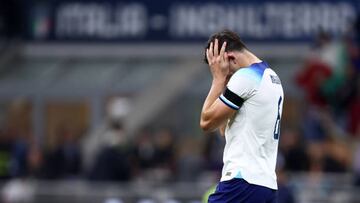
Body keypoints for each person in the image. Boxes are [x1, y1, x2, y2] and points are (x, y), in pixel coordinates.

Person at [200, 30, 284, 203]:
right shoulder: (271, 77)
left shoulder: (245, 77)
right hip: (266, 185)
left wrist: (217, 80)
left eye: (223, 69)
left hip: (242, 181)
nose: (226, 76)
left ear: (230, 58)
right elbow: (223, 129)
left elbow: (207, 122)